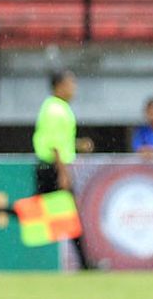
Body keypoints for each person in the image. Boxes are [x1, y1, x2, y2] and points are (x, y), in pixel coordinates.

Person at [33, 69, 96, 269]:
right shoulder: (55, 110)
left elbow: (57, 139)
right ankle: (85, 265)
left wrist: (77, 144)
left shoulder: (55, 107)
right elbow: (53, 144)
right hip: (52, 167)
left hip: (49, 166)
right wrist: (63, 173)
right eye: (71, 83)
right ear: (59, 86)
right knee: (68, 215)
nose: (74, 88)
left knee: (36, 212)